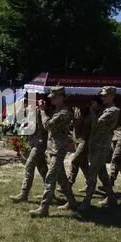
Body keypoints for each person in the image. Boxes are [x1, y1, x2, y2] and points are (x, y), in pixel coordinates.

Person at [29, 86, 77, 218]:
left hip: (58, 149)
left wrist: (43, 111)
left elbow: (48, 125)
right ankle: (72, 201)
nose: (51, 99)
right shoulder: (57, 111)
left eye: (54, 97)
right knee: (61, 177)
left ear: (61, 97)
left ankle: (43, 208)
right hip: (53, 148)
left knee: (50, 178)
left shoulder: (64, 113)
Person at [78, 86, 120, 212]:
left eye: (104, 95)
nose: (102, 97)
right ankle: (112, 198)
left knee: (92, 173)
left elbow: (96, 124)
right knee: (102, 173)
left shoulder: (113, 110)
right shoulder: (104, 109)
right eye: (101, 96)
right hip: (95, 145)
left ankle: (87, 202)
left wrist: (92, 110)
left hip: (101, 146)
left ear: (112, 96)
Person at [9, 103, 48, 203]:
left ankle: (24, 193)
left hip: (39, 143)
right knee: (43, 168)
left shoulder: (41, 109)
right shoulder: (28, 110)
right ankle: (49, 192)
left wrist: (40, 109)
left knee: (29, 166)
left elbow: (44, 125)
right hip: (33, 143)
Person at [68, 98, 101, 193]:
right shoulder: (77, 109)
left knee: (75, 160)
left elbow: (94, 124)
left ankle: (68, 183)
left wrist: (90, 109)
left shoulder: (92, 113)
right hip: (77, 139)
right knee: (83, 164)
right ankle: (90, 185)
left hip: (85, 141)